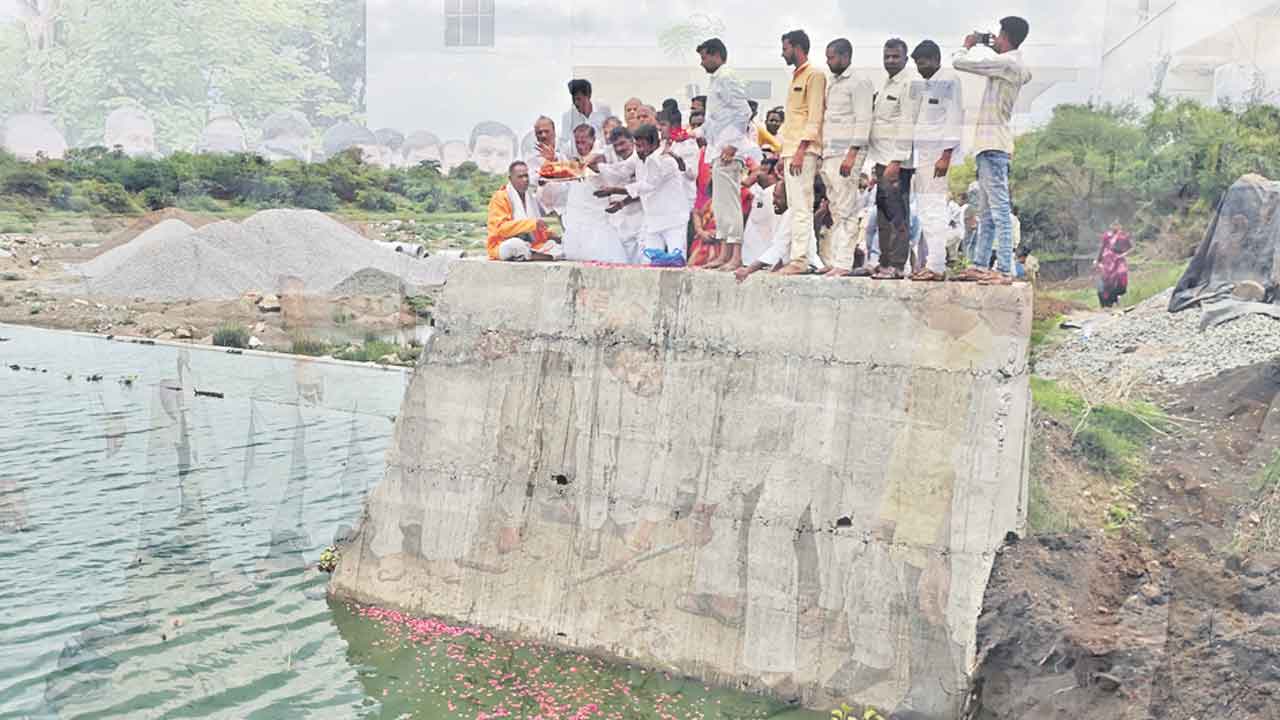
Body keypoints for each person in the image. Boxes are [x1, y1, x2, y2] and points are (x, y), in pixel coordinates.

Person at [952, 16, 1033, 284]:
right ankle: (980, 264)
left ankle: (1005, 270)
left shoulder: (1009, 63)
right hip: (991, 145)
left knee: (999, 210)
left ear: (1006, 36)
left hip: (993, 145)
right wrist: (991, 46)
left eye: (998, 36)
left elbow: (960, 62)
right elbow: (1025, 72)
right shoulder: (1014, 64)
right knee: (987, 212)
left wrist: (968, 45)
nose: (995, 39)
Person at [861, 38, 922, 280]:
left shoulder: (909, 83)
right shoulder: (888, 83)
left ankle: (897, 265)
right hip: (882, 159)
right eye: (887, 56)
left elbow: (907, 123)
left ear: (906, 59)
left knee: (897, 214)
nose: (890, 60)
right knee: (884, 215)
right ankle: (884, 263)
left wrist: (896, 162)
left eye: (895, 56)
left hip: (896, 162)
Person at [696, 36, 758, 272]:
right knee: (721, 205)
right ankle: (724, 253)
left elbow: (743, 111)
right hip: (717, 150)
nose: (702, 63)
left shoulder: (727, 76)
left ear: (715, 54)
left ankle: (736, 256)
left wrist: (732, 144)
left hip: (729, 152)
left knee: (730, 204)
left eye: (704, 57)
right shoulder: (717, 79)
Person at [908, 40, 965, 282]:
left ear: (935, 59)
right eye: (917, 65)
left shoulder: (949, 80)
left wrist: (946, 155)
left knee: (934, 210)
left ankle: (937, 265)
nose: (920, 69)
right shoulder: (926, 85)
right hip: (923, 157)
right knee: (925, 210)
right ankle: (932, 263)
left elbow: (954, 117)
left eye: (923, 64)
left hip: (937, 157)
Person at [818, 37, 874, 278]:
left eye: (831, 57)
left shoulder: (859, 81)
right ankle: (833, 260)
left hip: (847, 154)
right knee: (835, 208)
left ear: (844, 56)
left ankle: (844, 262)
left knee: (847, 208)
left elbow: (863, 119)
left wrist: (852, 153)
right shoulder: (832, 82)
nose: (828, 62)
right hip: (829, 152)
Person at [595, 124, 688, 263]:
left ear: (654, 144)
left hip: (673, 220)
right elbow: (621, 170)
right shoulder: (638, 157)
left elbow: (646, 186)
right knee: (649, 263)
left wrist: (613, 190)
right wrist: (593, 167)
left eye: (642, 146)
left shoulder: (666, 160)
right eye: (637, 146)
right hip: (652, 220)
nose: (639, 150)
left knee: (677, 261)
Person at [776, 29, 827, 275]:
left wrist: (800, 150)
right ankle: (804, 257)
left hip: (803, 151)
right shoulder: (796, 77)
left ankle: (799, 259)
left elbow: (814, 116)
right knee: (796, 205)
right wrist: (783, 152)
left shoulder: (814, 76)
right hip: (791, 149)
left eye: (785, 48)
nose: (782, 53)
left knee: (802, 206)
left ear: (796, 47)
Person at [552, 125, 628, 263]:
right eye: (577, 142)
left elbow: (589, 161)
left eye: (584, 142)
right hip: (577, 216)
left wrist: (571, 165)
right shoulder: (574, 159)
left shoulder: (599, 156)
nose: (580, 146)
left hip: (596, 219)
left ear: (593, 140)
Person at [486, 161, 561, 261]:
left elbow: (539, 228)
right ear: (510, 179)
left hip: (532, 244)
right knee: (515, 245)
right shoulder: (500, 197)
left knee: (556, 245)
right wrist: (531, 224)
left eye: (526, 176)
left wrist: (551, 235)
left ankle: (530, 255)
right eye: (520, 177)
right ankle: (532, 255)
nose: (525, 180)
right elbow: (501, 229)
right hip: (503, 243)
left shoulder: (530, 197)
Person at [742, 156, 780, 265]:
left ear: (773, 174)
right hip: (751, 254)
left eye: (763, 171)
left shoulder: (775, 192)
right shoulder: (760, 191)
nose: (758, 175)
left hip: (765, 251)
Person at [560, 78, 611, 156]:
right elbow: (564, 143)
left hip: (602, 156)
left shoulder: (603, 109)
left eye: (579, 99)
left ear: (589, 96)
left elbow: (612, 132)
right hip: (580, 159)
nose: (576, 103)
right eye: (573, 100)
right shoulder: (568, 117)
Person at [1096, 221, 1131, 306]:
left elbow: (1130, 248)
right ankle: (1107, 300)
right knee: (1106, 278)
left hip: (1119, 260)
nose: (1115, 227)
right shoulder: (1107, 236)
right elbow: (1102, 247)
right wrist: (1098, 260)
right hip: (1108, 260)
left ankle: (1117, 294)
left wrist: (1123, 255)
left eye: (1117, 225)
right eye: (1113, 225)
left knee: (1120, 274)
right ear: (1110, 226)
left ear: (1120, 226)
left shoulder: (1123, 236)